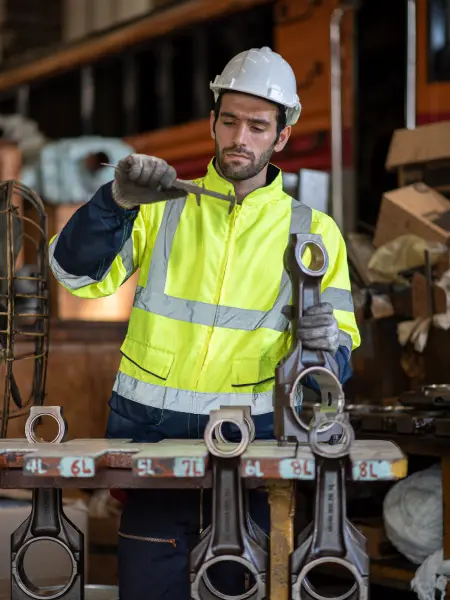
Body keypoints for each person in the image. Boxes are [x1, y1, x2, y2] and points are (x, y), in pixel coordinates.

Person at [49, 46, 360, 600]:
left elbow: (332, 371)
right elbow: (74, 275)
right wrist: (114, 203)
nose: (241, 137)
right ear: (213, 122)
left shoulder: (314, 231)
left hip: (253, 459)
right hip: (151, 450)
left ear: (282, 136)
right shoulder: (159, 206)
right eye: (231, 121)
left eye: (258, 127)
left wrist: (329, 346)